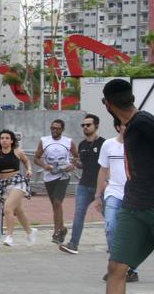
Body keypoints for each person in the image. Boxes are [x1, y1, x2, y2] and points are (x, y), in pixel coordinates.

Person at [73, 79, 154, 294]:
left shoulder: (143, 122)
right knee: (117, 267)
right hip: (133, 208)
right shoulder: (133, 126)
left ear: (107, 104)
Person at [92, 118, 138, 282]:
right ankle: (117, 264)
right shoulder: (108, 145)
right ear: (118, 127)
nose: (127, 128)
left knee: (132, 232)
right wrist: (98, 195)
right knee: (111, 227)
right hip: (113, 191)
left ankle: (130, 269)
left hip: (134, 193)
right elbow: (103, 170)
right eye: (125, 125)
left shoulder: (139, 145)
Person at [59, 114, 104, 254]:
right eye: (83, 125)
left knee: (110, 217)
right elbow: (82, 165)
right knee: (78, 215)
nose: (85, 127)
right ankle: (73, 244)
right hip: (84, 185)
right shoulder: (82, 144)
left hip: (101, 186)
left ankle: (115, 247)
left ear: (96, 126)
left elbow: (107, 166)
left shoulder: (104, 143)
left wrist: (106, 183)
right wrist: (75, 163)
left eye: (88, 125)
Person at [0, 129, 37, 247]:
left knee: (8, 208)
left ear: (11, 140)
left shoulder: (17, 152)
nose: (4, 140)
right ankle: (30, 232)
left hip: (17, 181)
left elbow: (26, 161)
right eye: (2, 138)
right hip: (4, 184)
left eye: (7, 138)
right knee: (18, 210)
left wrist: (29, 169)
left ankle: (10, 236)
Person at [34, 119, 78, 244]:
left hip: (63, 175)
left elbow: (77, 156)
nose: (54, 130)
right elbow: (36, 158)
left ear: (62, 130)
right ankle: (62, 228)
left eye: (57, 128)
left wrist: (72, 165)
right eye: (53, 128)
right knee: (55, 205)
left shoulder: (68, 142)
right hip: (49, 176)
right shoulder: (44, 141)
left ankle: (57, 232)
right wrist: (45, 166)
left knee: (58, 202)